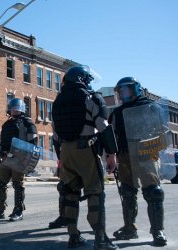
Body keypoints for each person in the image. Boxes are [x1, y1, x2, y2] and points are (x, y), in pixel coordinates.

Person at [52, 66, 118, 249]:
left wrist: (60, 158)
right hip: (86, 150)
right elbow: (103, 126)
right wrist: (111, 155)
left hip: (66, 151)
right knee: (95, 192)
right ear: (82, 79)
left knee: (70, 193)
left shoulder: (57, 101)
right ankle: (100, 239)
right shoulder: (91, 97)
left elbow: (55, 135)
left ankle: (73, 236)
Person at [107, 77, 167, 246]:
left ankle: (157, 231)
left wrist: (157, 145)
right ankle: (129, 227)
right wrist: (111, 156)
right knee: (127, 192)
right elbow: (112, 136)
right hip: (125, 155)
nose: (122, 94)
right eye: (119, 91)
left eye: (125, 90)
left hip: (147, 153)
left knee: (154, 192)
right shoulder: (117, 113)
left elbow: (163, 130)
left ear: (135, 89)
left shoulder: (150, 107)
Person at [0, 98, 38, 222]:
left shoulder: (28, 124)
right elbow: (1, 141)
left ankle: (18, 211)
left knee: (17, 184)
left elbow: (33, 143)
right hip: (6, 157)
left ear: (21, 109)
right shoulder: (7, 124)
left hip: (20, 158)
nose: (14, 110)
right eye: (12, 108)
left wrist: (28, 160)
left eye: (16, 108)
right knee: (0, 183)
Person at [48, 137, 69, 229]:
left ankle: (99, 225)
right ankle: (64, 217)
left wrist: (110, 154)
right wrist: (61, 158)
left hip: (88, 151)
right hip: (66, 152)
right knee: (64, 187)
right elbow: (56, 139)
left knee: (94, 189)